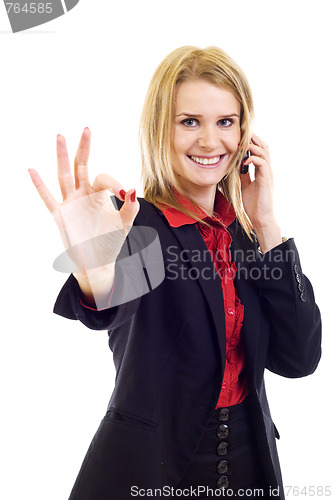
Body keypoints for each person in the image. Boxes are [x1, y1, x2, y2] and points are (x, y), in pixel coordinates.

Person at [29, 46, 321, 500]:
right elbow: (110, 302)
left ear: (245, 132)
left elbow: (299, 359)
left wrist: (266, 223)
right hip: (152, 472)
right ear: (159, 130)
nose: (210, 141)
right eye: (190, 122)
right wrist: (96, 269)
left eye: (225, 121)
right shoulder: (136, 225)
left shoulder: (244, 236)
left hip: (250, 470)